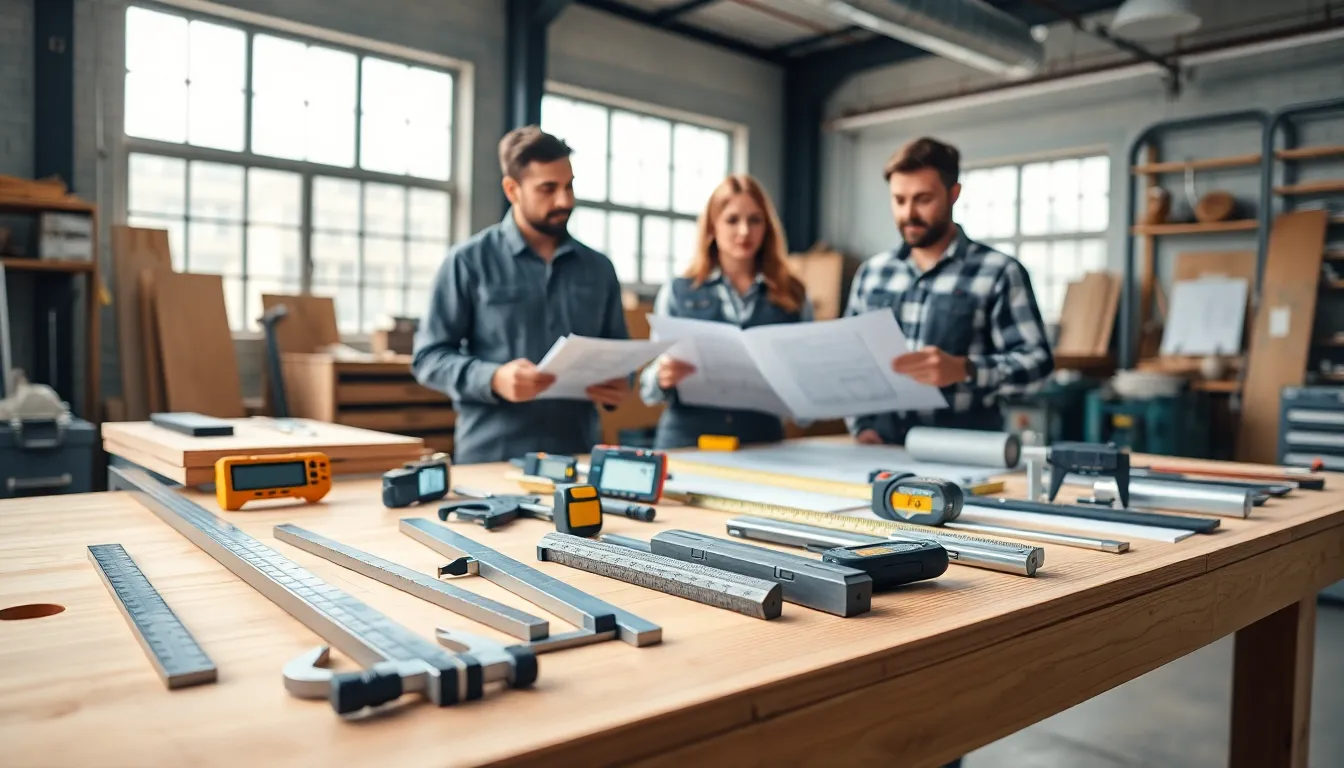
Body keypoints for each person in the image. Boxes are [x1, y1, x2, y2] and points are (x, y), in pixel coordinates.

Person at [411, 126, 631, 464]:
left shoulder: (599, 268)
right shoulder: (467, 261)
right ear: (512, 190)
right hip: (491, 457)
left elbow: (619, 352)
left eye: (569, 185)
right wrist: (493, 378)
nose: (565, 200)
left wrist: (619, 385)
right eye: (548, 189)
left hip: (577, 456)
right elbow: (428, 358)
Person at [846, 136, 1053, 447]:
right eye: (899, 200)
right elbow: (851, 362)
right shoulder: (872, 274)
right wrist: (860, 426)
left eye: (923, 199)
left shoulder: (998, 272)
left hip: (964, 450)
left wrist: (964, 369)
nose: (909, 214)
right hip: (881, 448)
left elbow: (1037, 366)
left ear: (953, 194)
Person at [639, 174, 812, 449]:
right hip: (686, 443)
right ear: (712, 227)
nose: (744, 231)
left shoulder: (794, 295)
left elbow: (806, 400)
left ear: (767, 227)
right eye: (732, 220)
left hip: (763, 446)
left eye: (755, 220)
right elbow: (648, 388)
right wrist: (661, 376)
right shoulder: (678, 290)